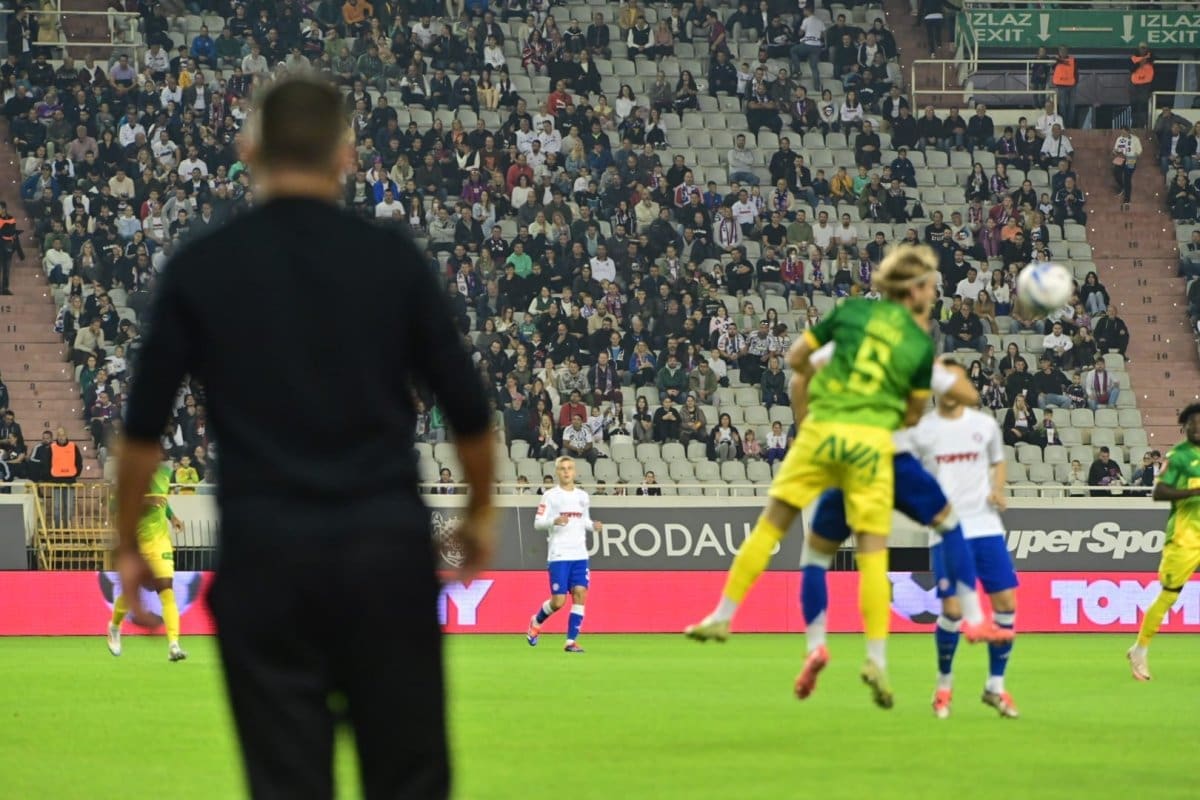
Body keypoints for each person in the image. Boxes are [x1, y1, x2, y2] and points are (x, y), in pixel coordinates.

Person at [114, 79, 495, 800]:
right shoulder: (392, 259)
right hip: (385, 556)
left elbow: (142, 428)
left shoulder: (203, 264)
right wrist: (478, 514)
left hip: (267, 559)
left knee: (286, 783)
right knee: (409, 778)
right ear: (345, 155)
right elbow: (469, 410)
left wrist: (126, 541)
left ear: (248, 150)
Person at [684, 245, 943, 708]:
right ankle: (876, 659)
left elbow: (796, 361)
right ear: (917, 289)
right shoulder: (920, 344)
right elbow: (913, 414)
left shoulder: (851, 311)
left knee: (775, 527)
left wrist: (819, 395)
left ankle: (723, 614)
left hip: (822, 433)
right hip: (870, 446)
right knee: (872, 555)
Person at [911, 363, 1020, 719]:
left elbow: (998, 462)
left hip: (985, 525)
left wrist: (997, 489)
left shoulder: (984, 425)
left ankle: (995, 687)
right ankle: (944, 685)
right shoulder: (923, 431)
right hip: (947, 528)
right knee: (953, 611)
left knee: (1006, 603)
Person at [1128, 404, 1200, 681]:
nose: (1197, 427)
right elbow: (1158, 492)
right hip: (1184, 538)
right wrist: (1194, 490)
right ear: (1185, 427)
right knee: (1169, 595)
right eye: (1192, 423)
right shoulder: (1179, 456)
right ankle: (1140, 649)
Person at [106, 457, 189, 661]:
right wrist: (145, 501)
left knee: (166, 591)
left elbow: (162, 499)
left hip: (160, 543)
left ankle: (174, 645)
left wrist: (172, 517)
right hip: (136, 541)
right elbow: (115, 505)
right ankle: (114, 627)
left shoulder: (165, 472)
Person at [526, 456, 603, 653]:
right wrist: (554, 521)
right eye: (562, 468)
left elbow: (584, 521)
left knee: (580, 594)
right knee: (558, 601)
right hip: (559, 554)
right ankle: (536, 621)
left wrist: (593, 526)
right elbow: (537, 523)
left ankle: (570, 642)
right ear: (557, 472)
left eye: (569, 468)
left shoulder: (582, 496)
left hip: (580, 555)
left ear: (574, 472)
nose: (566, 472)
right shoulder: (550, 496)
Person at [1111, 125, 1142, 209]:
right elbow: (1115, 149)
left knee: (1127, 177)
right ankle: (1122, 187)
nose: (1123, 134)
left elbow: (1139, 151)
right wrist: (1115, 151)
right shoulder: (1119, 139)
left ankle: (1127, 199)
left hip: (1131, 158)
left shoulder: (1135, 139)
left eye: (1124, 132)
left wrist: (1134, 156)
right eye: (1122, 132)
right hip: (1121, 157)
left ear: (1128, 131)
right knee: (1116, 172)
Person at [0, 202, 25, 295]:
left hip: (7, 246)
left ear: (4, 209)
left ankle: (5, 288)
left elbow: (12, 232)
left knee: (6, 269)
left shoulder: (11, 218)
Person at [1129, 43, 1154, 129]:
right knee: (1134, 105)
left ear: (1147, 49)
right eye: (1141, 48)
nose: (1143, 50)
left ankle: (1142, 125)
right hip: (1135, 85)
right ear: (1138, 49)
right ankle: (1134, 124)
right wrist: (1139, 64)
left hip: (1146, 85)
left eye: (1144, 48)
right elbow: (1130, 68)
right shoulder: (1133, 58)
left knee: (1143, 105)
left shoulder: (1151, 58)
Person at [1052, 45, 1077, 127]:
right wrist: (1057, 60)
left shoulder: (1072, 60)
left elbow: (1076, 71)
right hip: (1061, 85)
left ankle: (1069, 125)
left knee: (1072, 106)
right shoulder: (1055, 60)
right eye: (1061, 50)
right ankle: (1063, 125)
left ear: (1067, 51)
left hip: (1071, 85)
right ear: (1059, 52)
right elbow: (1051, 66)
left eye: (1064, 50)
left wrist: (1075, 82)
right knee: (1062, 106)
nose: (1063, 52)